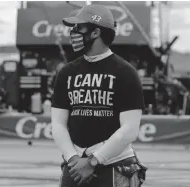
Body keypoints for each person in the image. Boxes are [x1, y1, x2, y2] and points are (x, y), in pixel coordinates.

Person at [51, 5, 147, 187]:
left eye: (79, 27)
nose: (73, 32)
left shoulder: (125, 73)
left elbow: (130, 129)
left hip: (114, 165)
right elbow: (57, 123)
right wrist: (74, 159)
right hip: (75, 166)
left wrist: (93, 161)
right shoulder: (66, 72)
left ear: (95, 32)